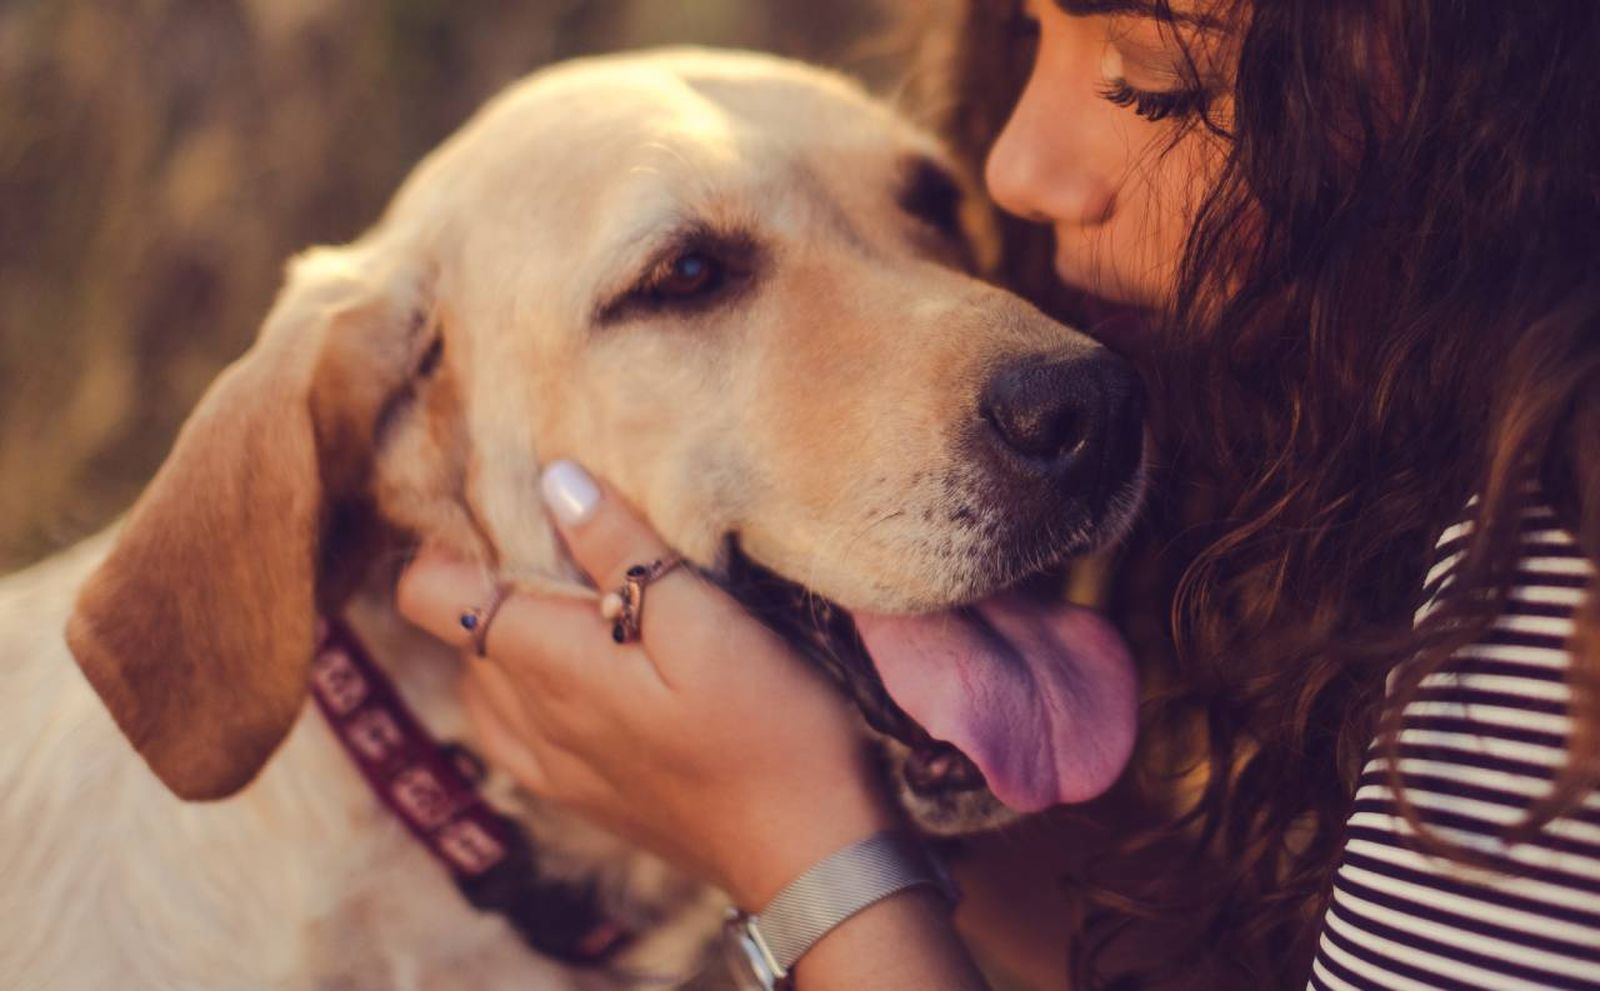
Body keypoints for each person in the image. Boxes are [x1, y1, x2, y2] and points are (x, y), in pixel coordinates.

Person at [397, 1, 1600, 988]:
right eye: (692, 275)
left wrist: (808, 857)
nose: (1009, 173)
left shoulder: (1560, 596)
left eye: (1155, 75)